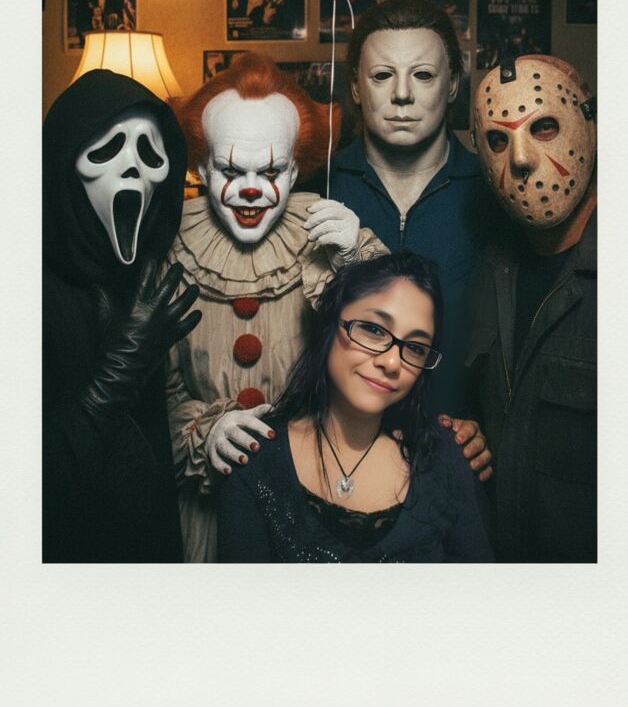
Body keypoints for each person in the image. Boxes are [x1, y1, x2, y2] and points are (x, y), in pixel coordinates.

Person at [163, 52, 388, 562]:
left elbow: (389, 356)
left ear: (296, 168)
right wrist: (204, 432)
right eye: (229, 169)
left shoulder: (328, 230)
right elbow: (151, 394)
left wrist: (354, 263)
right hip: (207, 515)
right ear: (201, 166)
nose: (250, 188)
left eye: (271, 170)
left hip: (314, 502)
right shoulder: (171, 241)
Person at [217, 251, 495, 563]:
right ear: (330, 322)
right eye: (374, 330)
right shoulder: (256, 459)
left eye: (415, 347)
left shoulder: (446, 459)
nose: (392, 362)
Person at [307, 0, 506, 430]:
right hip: (333, 446)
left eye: (423, 74)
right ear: (356, 87)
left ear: (452, 84)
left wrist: (483, 429)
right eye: (382, 75)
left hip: (452, 448)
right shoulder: (317, 188)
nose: (401, 94)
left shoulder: (495, 194)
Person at [43, 69, 202, 562]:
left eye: (151, 154)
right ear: (65, 164)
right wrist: (118, 372)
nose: (132, 168)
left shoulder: (145, 282)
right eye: (107, 150)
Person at [467, 54, 597, 562]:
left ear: (590, 125)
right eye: (498, 141)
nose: (520, 159)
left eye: (543, 127)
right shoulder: (488, 270)